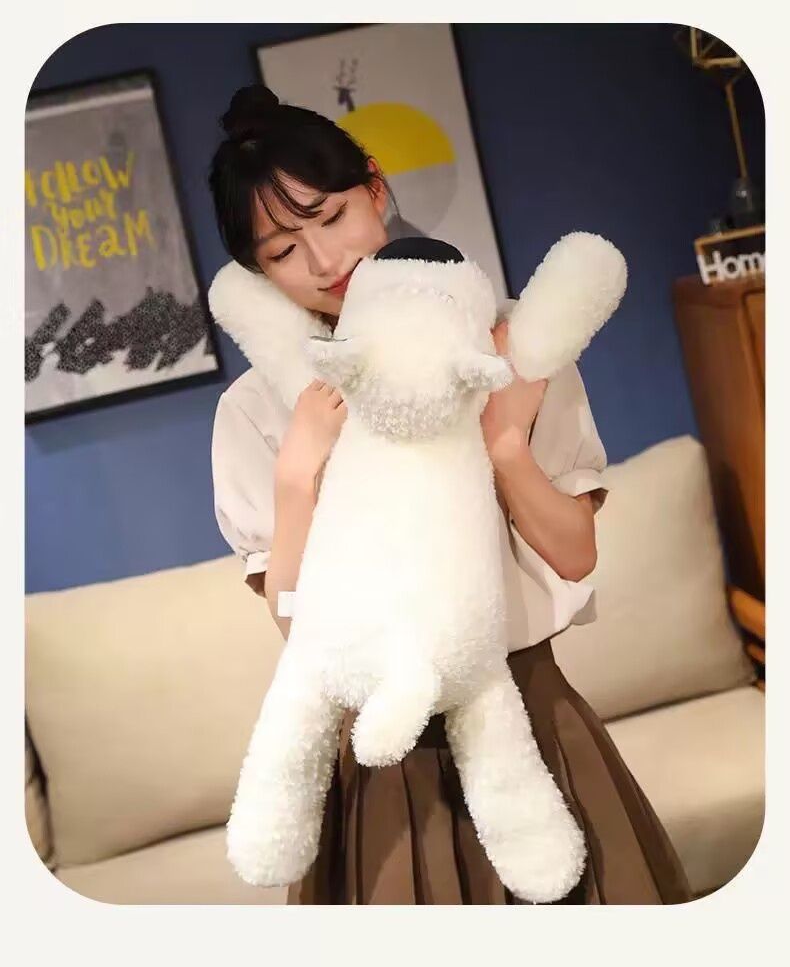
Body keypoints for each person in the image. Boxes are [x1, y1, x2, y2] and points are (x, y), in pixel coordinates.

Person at [208, 83, 692, 905]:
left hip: (527, 718)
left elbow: (577, 553)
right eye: (283, 251)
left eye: (331, 216)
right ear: (257, 273)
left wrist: (504, 445)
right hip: (375, 760)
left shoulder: (513, 346)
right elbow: (295, 625)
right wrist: (296, 480)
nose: (324, 262)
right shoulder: (259, 408)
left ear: (375, 187)